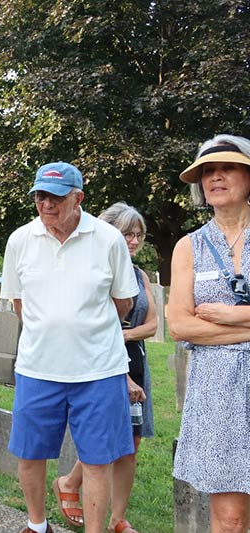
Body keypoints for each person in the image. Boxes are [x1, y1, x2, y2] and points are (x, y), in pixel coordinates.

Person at [0, 162, 138, 533]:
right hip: (38, 367)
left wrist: (84, 325)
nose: (46, 204)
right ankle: (36, 523)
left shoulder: (108, 238)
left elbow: (123, 301)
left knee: (97, 460)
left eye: (56, 197)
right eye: (40, 196)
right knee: (30, 453)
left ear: (78, 198)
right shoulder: (20, 240)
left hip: (98, 370)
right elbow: (18, 303)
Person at [54, 203, 157, 532]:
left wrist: (123, 333)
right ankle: (69, 481)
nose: (134, 240)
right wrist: (121, 368)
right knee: (106, 441)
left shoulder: (140, 274)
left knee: (131, 444)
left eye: (138, 234)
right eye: (127, 233)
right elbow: (88, 325)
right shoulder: (93, 268)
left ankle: (117, 519)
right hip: (102, 364)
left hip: (135, 360)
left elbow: (153, 325)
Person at [168, 134, 250, 533]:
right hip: (217, 394)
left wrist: (231, 317)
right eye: (208, 172)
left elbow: (198, 326)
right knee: (230, 520)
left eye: (228, 167)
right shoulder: (189, 246)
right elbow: (181, 326)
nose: (216, 177)